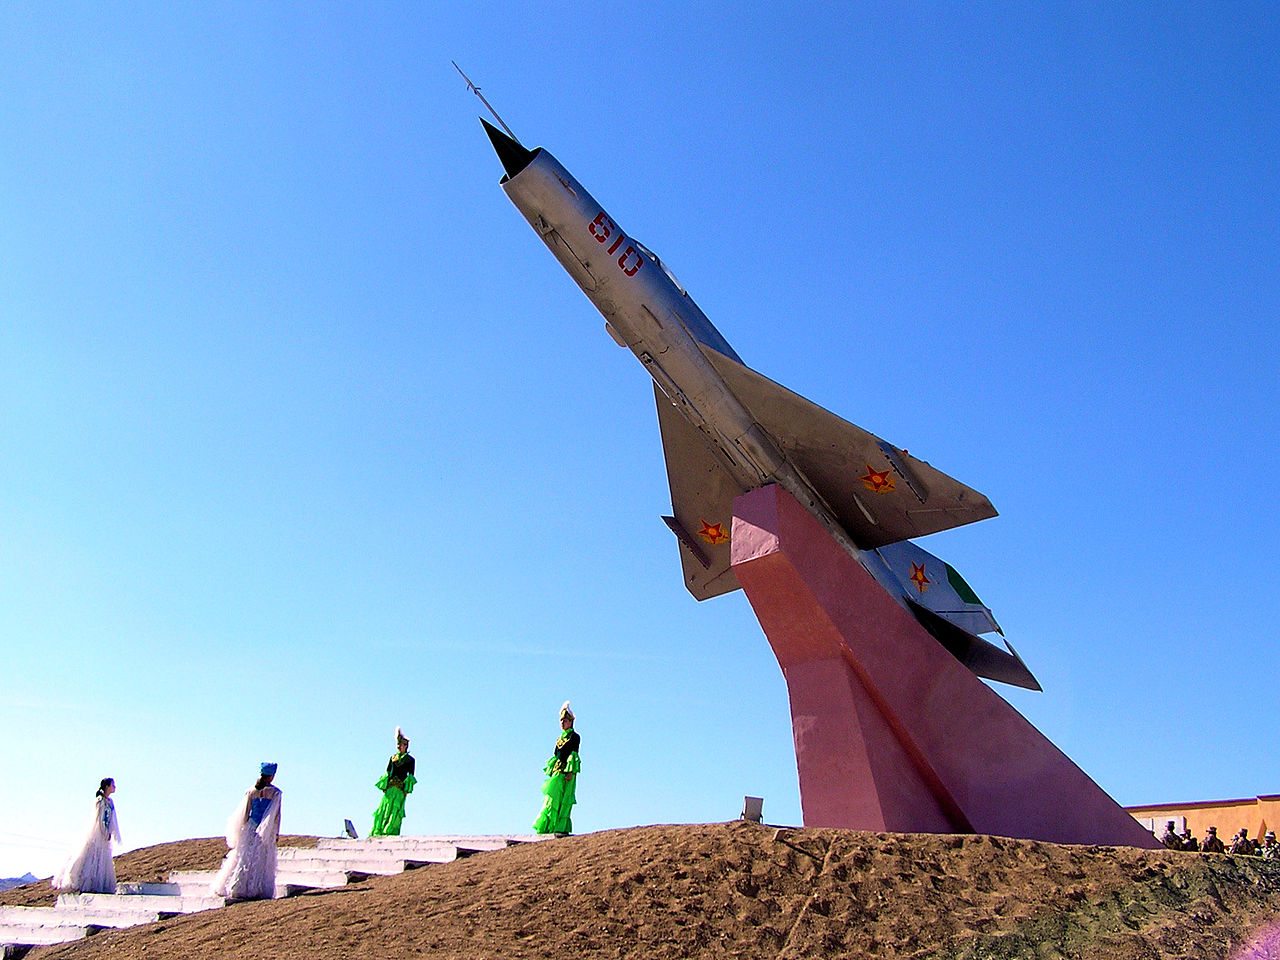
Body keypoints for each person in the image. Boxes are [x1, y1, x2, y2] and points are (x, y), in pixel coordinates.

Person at [212, 763, 283, 900]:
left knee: (243, 857)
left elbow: (245, 813)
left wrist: (244, 828)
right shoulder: (275, 793)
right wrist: (276, 832)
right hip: (265, 830)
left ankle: (237, 886)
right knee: (261, 858)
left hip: (251, 826)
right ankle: (255, 888)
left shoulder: (251, 791)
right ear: (272, 776)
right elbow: (276, 815)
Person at [53, 778, 121, 894]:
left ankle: (99, 884)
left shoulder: (110, 802)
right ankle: (84, 882)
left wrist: (111, 832)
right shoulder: (100, 802)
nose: (114, 787)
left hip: (105, 835)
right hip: (98, 834)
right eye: (112, 785)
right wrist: (104, 832)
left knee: (102, 858)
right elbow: (99, 819)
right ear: (107, 786)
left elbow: (112, 819)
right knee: (92, 856)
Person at [533, 701, 581, 836]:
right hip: (557, 771)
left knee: (564, 798)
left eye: (565, 721)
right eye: (561, 721)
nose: (562, 723)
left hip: (567, 772)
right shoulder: (559, 738)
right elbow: (556, 754)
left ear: (570, 722)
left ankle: (560, 826)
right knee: (552, 798)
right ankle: (549, 825)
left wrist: (570, 771)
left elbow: (574, 754)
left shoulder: (575, 737)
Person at [371, 728, 417, 837]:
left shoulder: (410, 760)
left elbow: (410, 776)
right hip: (390, 788)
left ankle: (390, 831)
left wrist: (406, 789)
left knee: (395, 810)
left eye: (403, 745)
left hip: (400, 789)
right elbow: (388, 772)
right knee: (385, 808)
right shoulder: (392, 758)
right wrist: (384, 785)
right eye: (399, 744)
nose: (400, 746)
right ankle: (379, 830)